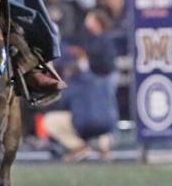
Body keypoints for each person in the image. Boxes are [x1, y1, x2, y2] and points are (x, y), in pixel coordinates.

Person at [43, 8, 118, 160]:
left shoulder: (82, 74)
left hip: (83, 118)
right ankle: (104, 145)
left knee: (53, 120)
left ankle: (81, 146)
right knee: (104, 117)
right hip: (101, 117)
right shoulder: (91, 45)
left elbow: (64, 101)